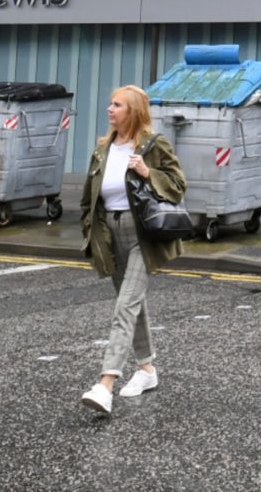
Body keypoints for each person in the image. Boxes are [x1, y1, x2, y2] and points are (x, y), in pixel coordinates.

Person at [79, 85, 186, 416]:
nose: (109, 109)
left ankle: (105, 383)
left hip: (143, 232)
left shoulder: (153, 146)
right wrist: (90, 231)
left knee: (126, 305)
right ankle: (147, 369)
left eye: (117, 105)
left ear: (134, 111)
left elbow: (178, 184)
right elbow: (89, 197)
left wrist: (147, 172)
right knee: (132, 304)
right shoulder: (103, 149)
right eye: (110, 103)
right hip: (109, 232)